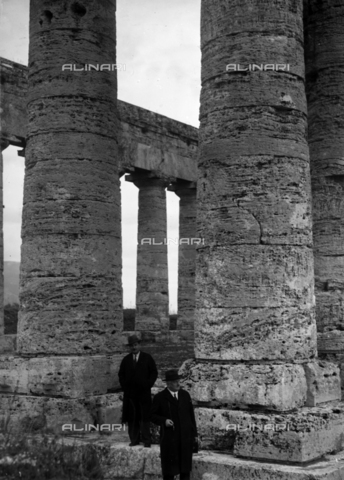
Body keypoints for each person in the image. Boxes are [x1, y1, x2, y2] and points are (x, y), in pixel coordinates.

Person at [150, 369, 198, 480]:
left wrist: (194, 434)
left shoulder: (185, 395)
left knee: (185, 470)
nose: (178, 383)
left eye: (178, 380)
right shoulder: (160, 397)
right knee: (169, 471)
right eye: (175, 381)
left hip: (185, 438)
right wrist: (164, 421)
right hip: (169, 439)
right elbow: (152, 416)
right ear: (168, 383)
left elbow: (191, 416)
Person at [118, 334, 158, 447]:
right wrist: (125, 387)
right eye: (131, 346)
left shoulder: (147, 358)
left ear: (139, 345)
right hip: (130, 395)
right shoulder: (126, 360)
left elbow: (154, 372)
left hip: (144, 393)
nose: (133, 347)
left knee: (144, 417)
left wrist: (148, 384)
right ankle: (134, 440)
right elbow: (121, 375)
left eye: (135, 345)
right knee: (132, 418)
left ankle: (146, 440)